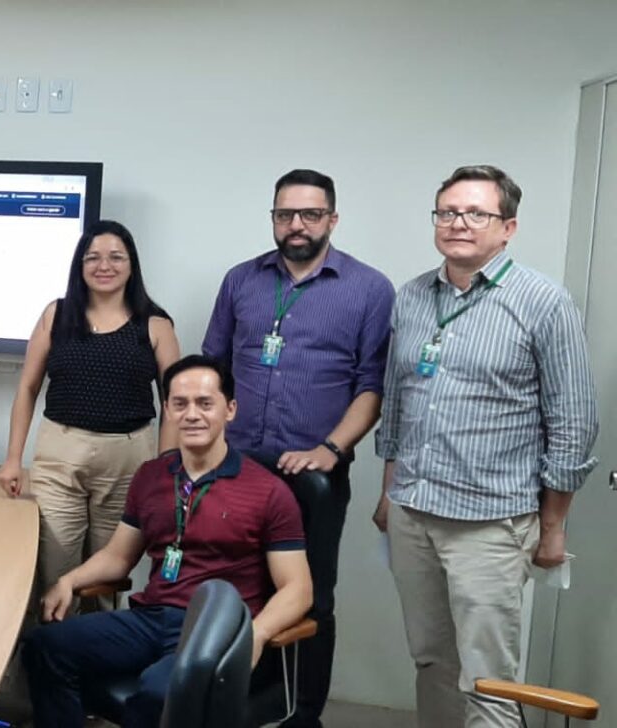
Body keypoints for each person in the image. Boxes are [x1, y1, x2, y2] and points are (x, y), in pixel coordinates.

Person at [374, 165, 598, 728]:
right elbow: (397, 403)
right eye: (448, 212)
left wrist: (553, 527)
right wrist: (388, 493)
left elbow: (573, 422)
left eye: (477, 213)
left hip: (489, 523)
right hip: (412, 513)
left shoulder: (544, 302)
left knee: (488, 678)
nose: (459, 223)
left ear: (508, 227)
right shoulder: (412, 296)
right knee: (431, 660)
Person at [200, 169, 394, 726]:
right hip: (236, 467)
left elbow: (372, 385)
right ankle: (234, 706)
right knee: (234, 587)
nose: (297, 225)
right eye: (285, 214)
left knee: (312, 596)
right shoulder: (241, 280)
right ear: (273, 219)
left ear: (332, 219)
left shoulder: (369, 288)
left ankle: (303, 714)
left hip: (313, 474)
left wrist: (332, 448)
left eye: (310, 214)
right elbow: (213, 368)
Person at [23, 356, 312, 728]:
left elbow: (298, 589)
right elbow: (118, 557)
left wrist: (257, 634)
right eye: (180, 404)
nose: (192, 414)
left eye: (205, 403)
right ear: (169, 411)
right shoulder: (151, 476)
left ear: (230, 410)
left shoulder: (268, 491)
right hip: (152, 619)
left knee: (160, 692)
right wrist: (68, 581)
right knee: (45, 647)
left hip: (214, 631)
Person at [0, 220, 181, 605]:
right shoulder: (57, 314)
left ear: (132, 264)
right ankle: (51, 641)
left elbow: (174, 402)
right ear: (80, 265)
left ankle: (98, 640)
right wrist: (13, 458)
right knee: (54, 570)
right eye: (93, 257)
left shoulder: (156, 324)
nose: (104, 266)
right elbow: (27, 388)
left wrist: (165, 469)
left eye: (116, 257)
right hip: (60, 457)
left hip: (128, 461)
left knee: (106, 575)